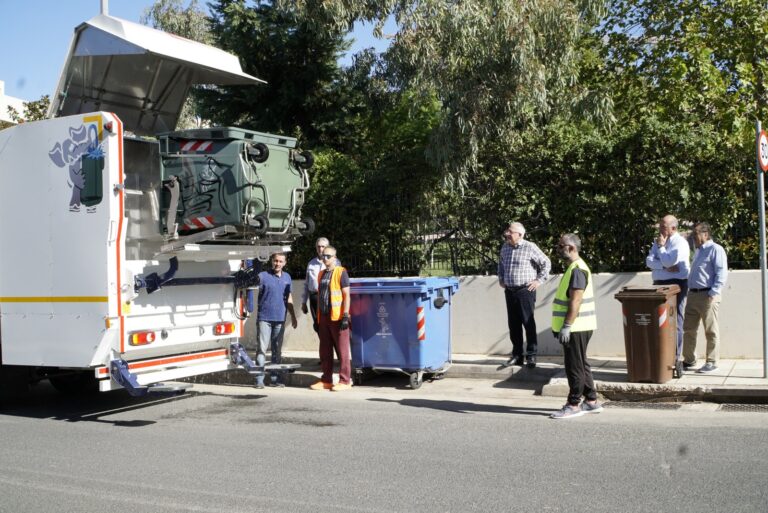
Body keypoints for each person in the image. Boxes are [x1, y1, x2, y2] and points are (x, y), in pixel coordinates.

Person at [550, 233, 602, 419]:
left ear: (572, 248)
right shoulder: (575, 267)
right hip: (579, 326)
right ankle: (591, 400)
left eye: (561, 245)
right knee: (581, 363)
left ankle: (573, 404)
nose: (558, 248)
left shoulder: (577, 269)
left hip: (576, 327)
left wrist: (566, 325)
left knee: (574, 366)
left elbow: (576, 301)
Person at [497, 222, 551, 368]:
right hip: (510, 291)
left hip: (525, 291)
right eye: (507, 230)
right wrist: (501, 278)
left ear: (519, 234)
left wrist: (538, 281)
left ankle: (531, 355)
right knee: (513, 324)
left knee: (528, 322)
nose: (507, 233)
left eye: (510, 231)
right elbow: (501, 264)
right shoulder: (505, 247)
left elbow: (546, 263)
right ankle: (517, 355)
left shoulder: (530, 247)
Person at [682, 222, 728, 374]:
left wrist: (713, 293)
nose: (693, 237)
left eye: (695, 234)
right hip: (693, 294)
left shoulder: (716, 249)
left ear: (706, 234)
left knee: (710, 330)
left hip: (707, 295)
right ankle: (689, 360)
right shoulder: (699, 251)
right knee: (688, 329)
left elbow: (721, 272)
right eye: (692, 234)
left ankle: (712, 362)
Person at [645, 214, 690, 362]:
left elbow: (670, 261)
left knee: (674, 319)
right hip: (659, 283)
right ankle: (660, 354)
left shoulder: (680, 243)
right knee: (657, 318)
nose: (660, 228)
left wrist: (662, 251)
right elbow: (649, 261)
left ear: (673, 227)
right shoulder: (658, 242)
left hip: (676, 283)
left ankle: (675, 357)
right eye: (660, 225)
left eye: (663, 226)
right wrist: (663, 265)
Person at [309, 246, 353, 391]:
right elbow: (320, 296)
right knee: (325, 350)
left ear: (334, 257)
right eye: (323, 256)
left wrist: (345, 315)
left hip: (338, 317)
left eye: (328, 256)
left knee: (342, 350)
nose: (325, 258)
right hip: (325, 316)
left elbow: (346, 295)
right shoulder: (321, 274)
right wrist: (317, 318)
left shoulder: (341, 272)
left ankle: (345, 380)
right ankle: (326, 380)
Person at [255, 252, 297, 389]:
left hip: (280, 319)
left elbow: (289, 298)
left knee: (276, 351)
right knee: (261, 350)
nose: (277, 264)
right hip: (264, 319)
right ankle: (259, 380)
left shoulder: (287, 277)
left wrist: (293, 316)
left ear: (284, 263)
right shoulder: (262, 276)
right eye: (275, 261)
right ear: (271, 261)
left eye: (280, 261)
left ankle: (275, 379)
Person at [301, 237, 330, 333]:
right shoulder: (311, 264)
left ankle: (332, 347)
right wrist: (303, 302)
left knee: (329, 326)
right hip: (314, 297)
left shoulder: (334, 263)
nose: (321, 249)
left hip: (328, 298)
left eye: (323, 246)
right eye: (318, 247)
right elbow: (306, 284)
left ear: (327, 247)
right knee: (318, 326)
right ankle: (324, 347)